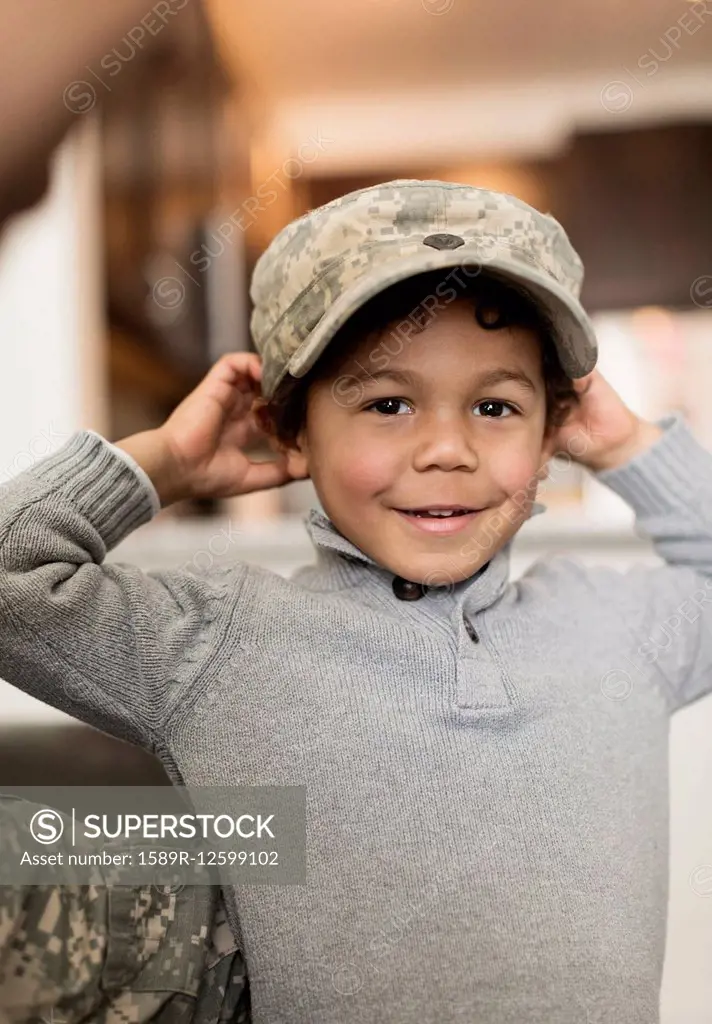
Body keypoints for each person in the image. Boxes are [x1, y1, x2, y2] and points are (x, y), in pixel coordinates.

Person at [1, 177, 711, 1024]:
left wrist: (632, 446)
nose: (446, 448)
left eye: (495, 405)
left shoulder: (615, 629)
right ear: (288, 429)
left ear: (552, 430)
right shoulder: (220, 644)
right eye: (388, 404)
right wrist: (164, 463)